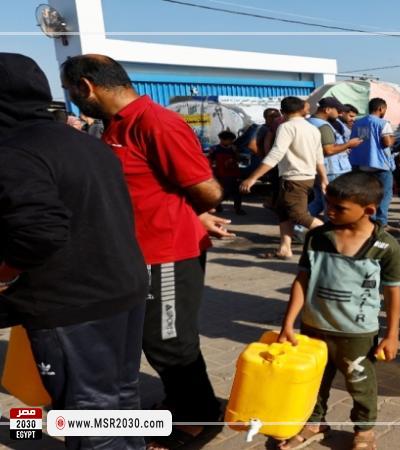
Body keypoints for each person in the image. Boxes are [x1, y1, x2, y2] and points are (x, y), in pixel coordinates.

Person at [60, 54, 229, 448]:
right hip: (142, 252)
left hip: (167, 252)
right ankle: (184, 403)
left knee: (169, 341)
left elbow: (207, 189)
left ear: (86, 87)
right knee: (155, 338)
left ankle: (199, 420)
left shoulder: (156, 122)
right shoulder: (117, 124)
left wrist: (194, 213)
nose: (71, 98)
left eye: (71, 90)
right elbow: (149, 184)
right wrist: (188, 212)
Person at [0, 52, 149, 450]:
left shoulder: (13, 151)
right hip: (123, 290)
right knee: (120, 398)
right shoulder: (85, 142)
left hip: (73, 304)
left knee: (90, 416)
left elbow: (40, 232)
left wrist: (3, 273)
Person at [276, 171, 400, 450]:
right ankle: (314, 423)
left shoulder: (385, 247)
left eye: (338, 208)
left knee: (360, 383)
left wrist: (392, 335)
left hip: (357, 334)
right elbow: (302, 280)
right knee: (314, 381)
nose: (328, 211)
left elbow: (393, 292)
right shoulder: (317, 238)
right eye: (327, 203)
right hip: (313, 328)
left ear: (368, 210)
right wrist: (288, 324)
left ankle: (364, 430)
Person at [240, 96, 328, 259]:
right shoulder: (312, 129)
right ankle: (284, 248)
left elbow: (276, 153)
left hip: (294, 178)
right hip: (305, 177)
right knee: (283, 212)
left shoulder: (286, 127)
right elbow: (319, 157)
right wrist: (323, 178)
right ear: (303, 109)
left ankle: (334, 238)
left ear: (282, 112)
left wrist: (253, 177)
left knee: (298, 215)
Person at [307, 97, 362, 218]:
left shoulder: (309, 122)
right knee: (332, 204)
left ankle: (297, 226)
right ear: (327, 109)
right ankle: (329, 232)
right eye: (338, 110)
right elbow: (329, 150)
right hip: (333, 170)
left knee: (319, 202)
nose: (340, 113)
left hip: (318, 169)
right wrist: (349, 144)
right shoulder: (323, 126)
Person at [348, 98, 396, 227]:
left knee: (367, 195)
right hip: (380, 165)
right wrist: (393, 139)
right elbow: (387, 143)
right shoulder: (383, 123)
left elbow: (362, 140)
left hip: (361, 164)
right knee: (384, 195)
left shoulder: (359, 122)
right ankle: (381, 222)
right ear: (381, 109)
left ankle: (370, 221)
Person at [209, 129, 246, 215]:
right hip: (221, 174)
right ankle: (216, 205)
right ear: (221, 139)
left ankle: (238, 209)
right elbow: (210, 161)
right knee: (225, 192)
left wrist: (235, 153)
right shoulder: (215, 149)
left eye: (231, 140)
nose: (230, 142)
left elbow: (238, 159)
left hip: (234, 173)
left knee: (237, 192)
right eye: (229, 140)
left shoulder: (233, 149)